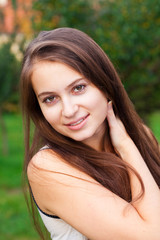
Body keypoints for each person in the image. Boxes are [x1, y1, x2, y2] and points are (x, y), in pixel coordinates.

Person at [20, 27, 160, 240]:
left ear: (104, 84)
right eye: (50, 99)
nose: (68, 110)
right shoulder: (48, 167)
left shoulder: (144, 137)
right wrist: (125, 145)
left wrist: (127, 143)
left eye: (78, 88)